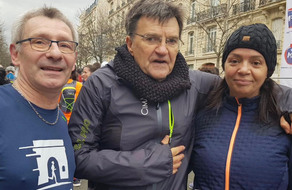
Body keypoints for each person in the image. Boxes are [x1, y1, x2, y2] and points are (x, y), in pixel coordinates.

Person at [68, 1, 220, 189]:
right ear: (130, 44)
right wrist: (144, 164)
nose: (163, 50)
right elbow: (77, 157)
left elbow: (247, 86)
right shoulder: (100, 85)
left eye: (171, 41)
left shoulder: (197, 84)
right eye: (151, 39)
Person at [191, 24, 292, 189]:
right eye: (235, 61)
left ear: (268, 70)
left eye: (256, 63)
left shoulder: (284, 122)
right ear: (225, 66)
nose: (244, 69)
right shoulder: (203, 112)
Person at [0, 6, 78, 189]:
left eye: (65, 45)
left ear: (74, 60)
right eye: (39, 42)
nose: (55, 53)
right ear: (15, 54)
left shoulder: (60, 119)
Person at [58, 67, 83, 187]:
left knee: (64, 149)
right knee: (76, 148)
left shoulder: (59, 85)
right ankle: (76, 176)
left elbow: (56, 103)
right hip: (77, 121)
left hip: (62, 120)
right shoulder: (79, 85)